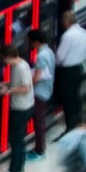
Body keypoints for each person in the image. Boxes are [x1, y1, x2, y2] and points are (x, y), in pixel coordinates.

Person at [0, 44, 34, 172]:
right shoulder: (21, 64)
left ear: (7, 56)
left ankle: (14, 171)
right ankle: (19, 169)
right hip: (25, 107)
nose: (4, 62)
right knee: (19, 140)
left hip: (21, 109)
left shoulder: (20, 68)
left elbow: (25, 87)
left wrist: (8, 91)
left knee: (15, 141)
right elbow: (15, 83)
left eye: (3, 59)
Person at [55, 10, 86, 134]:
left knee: (68, 100)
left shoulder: (67, 36)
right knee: (76, 98)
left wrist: (58, 64)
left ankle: (71, 127)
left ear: (67, 22)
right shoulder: (85, 33)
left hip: (67, 71)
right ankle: (78, 122)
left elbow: (60, 56)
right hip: (79, 68)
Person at [29, 30, 55, 161]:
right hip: (47, 90)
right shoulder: (49, 51)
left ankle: (39, 150)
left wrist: (27, 84)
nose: (31, 45)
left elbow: (37, 77)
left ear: (36, 42)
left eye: (31, 42)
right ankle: (40, 147)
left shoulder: (41, 55)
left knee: (38, 122)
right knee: (40, 120)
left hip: (39, 93)